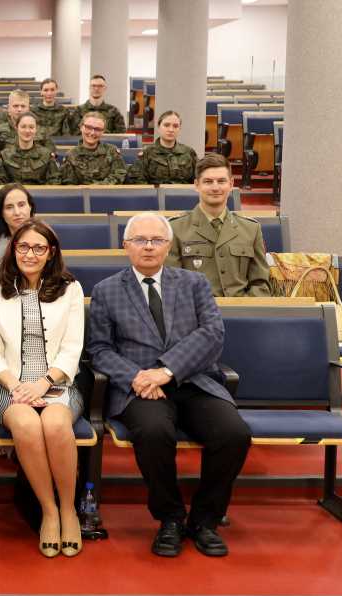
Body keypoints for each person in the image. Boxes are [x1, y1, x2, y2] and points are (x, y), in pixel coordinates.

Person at [86, 211, 251, 558]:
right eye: (140, 240)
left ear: (169, 244)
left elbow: (212, 334)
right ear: (125, 245)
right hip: (139, 388)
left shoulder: (194, 284)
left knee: (234, 434)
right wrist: (137, 376)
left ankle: (205, 520)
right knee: (153, 432)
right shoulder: (106, 291)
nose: (148, 247)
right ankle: (171, 518)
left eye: (157, 240)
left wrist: (166, 370)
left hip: (193, 381)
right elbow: (99, 350)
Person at [0, 219, 85, 558]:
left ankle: (69, 510)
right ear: (13, 250)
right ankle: (48, 512)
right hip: (7, 385)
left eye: (39, 247)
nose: (30, 253)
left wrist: (43, 382)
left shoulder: (71, 289)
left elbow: (72, 348)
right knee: (26, 423)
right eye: (23, 246)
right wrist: (17, 386)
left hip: (57, 382)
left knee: (55, 424)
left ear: (51, 253)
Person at [167, 153, 272, 296]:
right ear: (197, 185)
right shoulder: (175, 228)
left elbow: (260, 284)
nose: (215, 188)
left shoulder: (252, 229)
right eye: (208, 181)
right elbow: (172, 284)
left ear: (231, 184)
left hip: (242, 313)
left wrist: (244, 310)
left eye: (221, 181)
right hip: (195, 314)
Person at [127, 110, 198, 185]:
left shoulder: (189, 152)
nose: (171, 130)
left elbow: (199, 177)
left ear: (179, 129)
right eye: (166, 125)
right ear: (158, 127)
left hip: (183, 194)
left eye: (175, 126)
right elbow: (136, 179)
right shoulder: (147, 153)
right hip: (155, 195)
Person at [59, 112, 127, 185]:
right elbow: (69, 184)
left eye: (98, 129)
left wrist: (98, 187)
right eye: (88, 127)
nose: (92, 133)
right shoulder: (71, 155)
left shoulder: (112, 151)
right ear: (81, 127)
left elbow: (119, 174)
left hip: (108, 193)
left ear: (103, 131)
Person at [0, 113, 61, 185]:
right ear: (16, 128)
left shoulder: (47, 155)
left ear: (36, 129)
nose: (27, 131)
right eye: (23, 127)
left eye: (31, 127)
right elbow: (0, 185)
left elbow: (54, 182)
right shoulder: (4, 156)